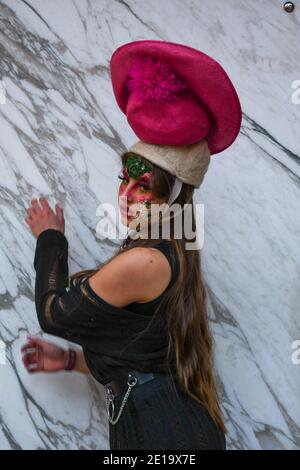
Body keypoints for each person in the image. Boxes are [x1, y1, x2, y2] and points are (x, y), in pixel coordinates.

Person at [21, 40, 242, 450]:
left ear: (172, 197)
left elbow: (53, 315)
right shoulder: (166, 251)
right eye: (126, 178)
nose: (126, 194)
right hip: (158, 423)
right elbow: (143, 356)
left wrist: (50, 239)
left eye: (145, 186)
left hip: (168, 432)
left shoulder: (145, 260)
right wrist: (68, 361)